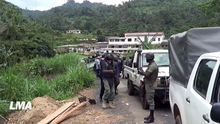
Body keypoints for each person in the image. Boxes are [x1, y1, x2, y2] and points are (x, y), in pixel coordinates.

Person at [138, 52, 158, 123]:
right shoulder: (151, 64)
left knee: (150, 101)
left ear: (149, 58)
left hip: (150, 85)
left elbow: (147, 75)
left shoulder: (153, 66)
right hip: (149, 84)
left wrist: (142, 72)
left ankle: (152, 117)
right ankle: (150, 115)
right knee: (149, 100)